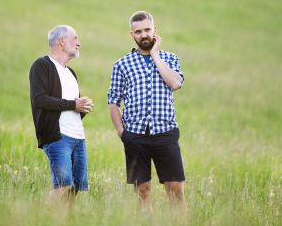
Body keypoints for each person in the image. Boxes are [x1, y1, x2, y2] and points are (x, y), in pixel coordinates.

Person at [108, 11, 187, 213]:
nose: (143, 35)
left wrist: (155, 55)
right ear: (132, 34)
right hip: (135, 135)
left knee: (176, 190)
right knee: (142, 192)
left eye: (147, 30)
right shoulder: (122, 64)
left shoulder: (170, 58)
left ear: (155, 31)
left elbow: (176, 83)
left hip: (165, 133)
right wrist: (121, 133)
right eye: (138, 31)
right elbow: (113, 101)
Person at [29, 25, 94, 207]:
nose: (78, 43)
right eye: (75, 39)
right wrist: (74, 104)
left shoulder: (71, 73)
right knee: (63, 186)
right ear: (62, 40)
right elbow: (39, 100)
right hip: (58, 137)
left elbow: (70, 107)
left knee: (74, 190)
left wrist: (82, 108)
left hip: (78, 138)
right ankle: (43, 217)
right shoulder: (42, 66)